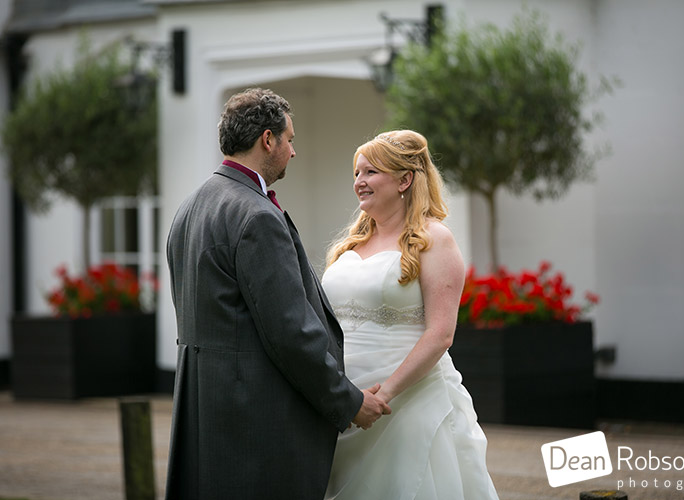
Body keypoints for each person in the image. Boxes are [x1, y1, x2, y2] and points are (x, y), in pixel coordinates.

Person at [164, 88, 391, 500]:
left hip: (206, 415)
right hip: (257, 423)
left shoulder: (191, 207)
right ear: (267, 140)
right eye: (289, 139)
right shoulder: (255, 215)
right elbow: (290, 331)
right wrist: (347, 401)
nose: (293, 151)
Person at [322, 130, 499, 499]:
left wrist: (382, 396)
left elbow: (440, 334)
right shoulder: (349, 245)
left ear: (404, 179)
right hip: (345, 400)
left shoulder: (434, 240)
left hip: (405, 402)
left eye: (370, 172)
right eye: (356, 173)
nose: (359, 182)